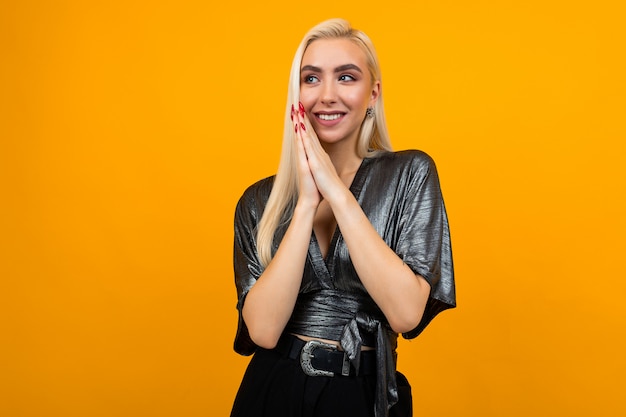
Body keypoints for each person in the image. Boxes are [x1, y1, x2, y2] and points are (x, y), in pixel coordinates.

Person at [231, 18, 455, 417]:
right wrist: (304, 206)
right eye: (311, 79)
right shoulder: (257, 202)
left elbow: (405, 314)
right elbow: (263, 331)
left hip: (364, 395)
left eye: (346, 77)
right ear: (296, 94)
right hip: (273, 391)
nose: (327, 95)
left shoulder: (410, 173)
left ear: (373, 93)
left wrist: (336, 191)